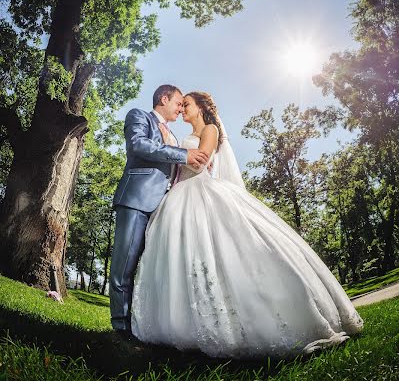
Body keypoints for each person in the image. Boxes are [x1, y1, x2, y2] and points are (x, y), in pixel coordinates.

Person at [131, 91, 363, 358]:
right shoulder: (176, 135)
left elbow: (202, 160)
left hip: (198, 191)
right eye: (181, 105)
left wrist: (176, 154)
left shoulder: (209, 129)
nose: (183, 108)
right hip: (179, 195)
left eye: (188, 105)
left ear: (201, 108)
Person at [109, 85, 209, 337]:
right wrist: (183, 155)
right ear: (164, 99)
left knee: (147, 269)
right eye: (178, 103)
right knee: (124, 267)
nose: (180, 108)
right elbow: (138, 145)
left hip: (163, 210)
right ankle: (121, 328)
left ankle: (140, 326)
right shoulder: (139, 116)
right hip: (137, 200)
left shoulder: (174, 135)